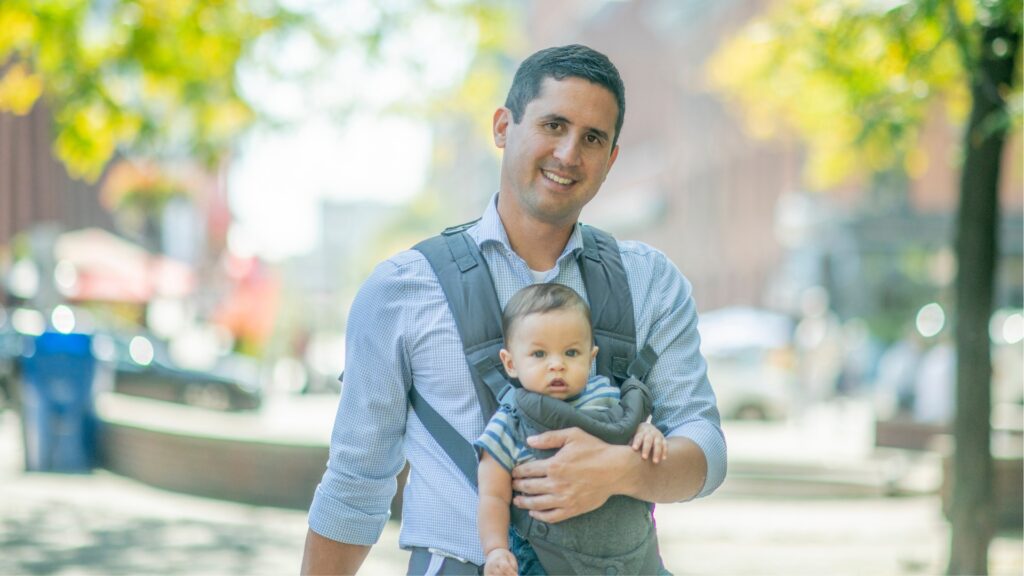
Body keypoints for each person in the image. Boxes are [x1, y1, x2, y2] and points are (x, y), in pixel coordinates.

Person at [301, 44, 726, 575]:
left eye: (592, 138)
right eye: (553, 125)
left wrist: (622, 471)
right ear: (503, 127)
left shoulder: (652, 282)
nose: (569, 154)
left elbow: (705, 445)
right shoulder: (401, 290)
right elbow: (356, 482)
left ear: (612, 158)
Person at [476, 282, 667, 576]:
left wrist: (647, 433)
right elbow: (492, 494)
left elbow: (630, 430)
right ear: (511, 363)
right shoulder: (510, 420)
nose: (557, 365)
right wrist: (495, 549)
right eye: (539, 355)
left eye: (571, 353)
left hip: (632, 559)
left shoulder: (607, 396)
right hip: (547, 561)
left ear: (591, 359)